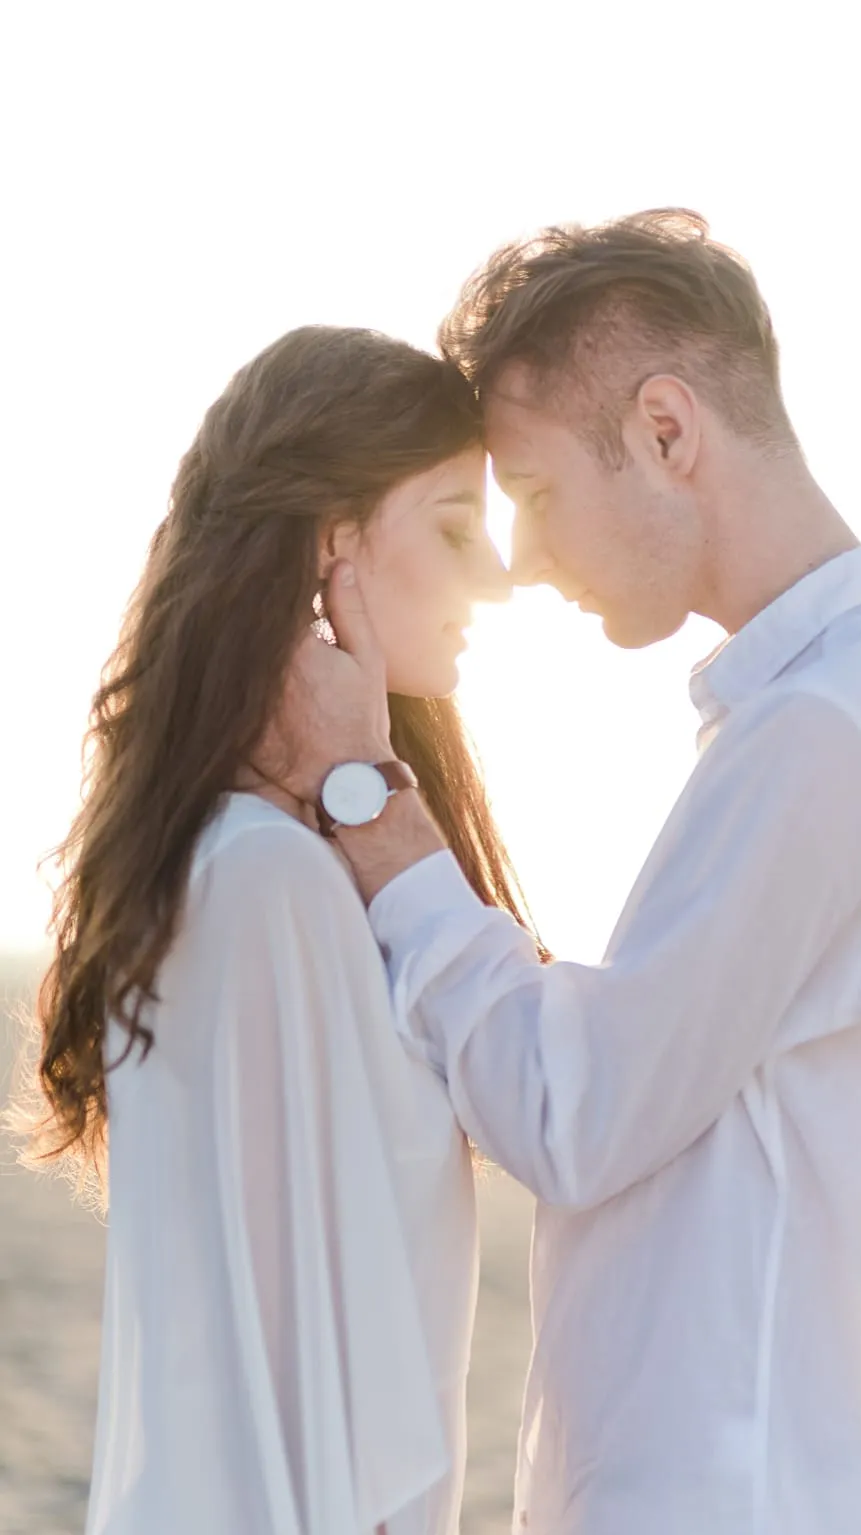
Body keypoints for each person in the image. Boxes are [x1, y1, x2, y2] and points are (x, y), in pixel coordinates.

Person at [271, 211, 861, 1535]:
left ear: (668, 432)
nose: (528, 559)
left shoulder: (833, 730)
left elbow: (576, 1111)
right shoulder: (843, 708)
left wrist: (369, 800)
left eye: (541, 494)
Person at [18, 326, 527, 1535]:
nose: (498, 574)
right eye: (456, 522)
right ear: (333, 545)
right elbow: (301, 1384)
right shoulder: (267, 885)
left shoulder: (254, 862)